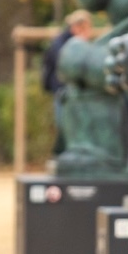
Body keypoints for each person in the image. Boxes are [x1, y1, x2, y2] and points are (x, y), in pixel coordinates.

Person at [41, 10, 93, 156]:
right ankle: (61, 154)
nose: (89, 34)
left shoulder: (65, 43)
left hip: (65, 91)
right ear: (78, 28)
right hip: (63, 91)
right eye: (87, 29)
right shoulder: (66, 45)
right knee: (65, 125)